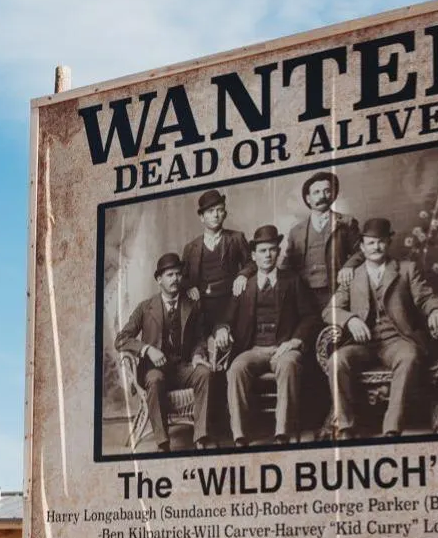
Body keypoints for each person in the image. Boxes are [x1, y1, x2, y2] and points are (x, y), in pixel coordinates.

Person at [324, 218, 438, 439]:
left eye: (381, 242)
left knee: (409, 357)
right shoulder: (352, 276)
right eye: (371, 243)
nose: (376, 248)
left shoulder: (406, 270)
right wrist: (350, 320)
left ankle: (391, 428)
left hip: (397, 340)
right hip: (362, 343)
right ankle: (345, 427)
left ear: (388, 243)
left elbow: (427, 298)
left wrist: (436, 311)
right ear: (362, 247)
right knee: (337, 360)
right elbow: (330, 310)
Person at [213, 225, 318, 446]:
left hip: (284, 348)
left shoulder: (292, 280)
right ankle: (240, 435)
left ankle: (282, 432)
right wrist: (221, 329)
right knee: (236, 369)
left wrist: (295, 341)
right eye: (262, 251)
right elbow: (224, 319)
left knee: (289, 365)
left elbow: (310, 316)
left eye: (272, 250)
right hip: (254, 349)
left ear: (278, 252)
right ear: (253, 255)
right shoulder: (244, 286)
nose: (268, 255)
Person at [115, 252, 214, 451]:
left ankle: (200, 436)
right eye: (169, 275)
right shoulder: (145, 308)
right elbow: (121, 339)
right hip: (155, 370)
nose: (175, 279)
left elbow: (200, 338)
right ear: (159, 279)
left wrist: (197, 355)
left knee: (204, 373)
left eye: (178, 274)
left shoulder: (191, 306)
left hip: (183, 368)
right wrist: (147, 349)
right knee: (154, 379)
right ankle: (163, 442)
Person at [280, 171, 364, 310]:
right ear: (308, 198)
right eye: (316, 192)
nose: (322, 196)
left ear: (333, 194)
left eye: (326, 191)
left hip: (336, 291)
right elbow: (288, 263)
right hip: (304, 294)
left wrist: (349, 266)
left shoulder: (347, 222)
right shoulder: (296, 231)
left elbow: (361, 251)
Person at [181, 189, 251, 333]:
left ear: (224, 214)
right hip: (202, 306)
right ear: (201, 217)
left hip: (231, 302)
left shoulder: (236, 238)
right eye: (211, 211)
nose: (216, 215)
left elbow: (252, 262)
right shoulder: (191, 247)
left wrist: (243, 274)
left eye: (219, 210)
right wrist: (189, 287)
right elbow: (182, 277)